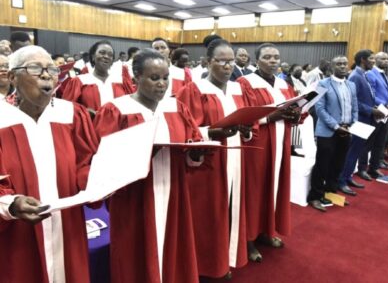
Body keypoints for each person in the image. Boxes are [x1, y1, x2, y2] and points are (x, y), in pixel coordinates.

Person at [94, 48, 202, 283]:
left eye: (165, 78)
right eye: (154, 78)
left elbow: (192, 143)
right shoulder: (117, 110)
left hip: (173, 190)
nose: (161, 84)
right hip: (134, 195)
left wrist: (195, 153)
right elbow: (102, 158)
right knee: (134, 252)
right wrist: (140, 154)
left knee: (173, 244)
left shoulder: (177, 108)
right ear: (136, 79)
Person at [0, 45, 98, 283]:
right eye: (35, 68)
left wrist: (99, 180)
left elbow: (87, 162)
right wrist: (10, 204)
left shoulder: (71, 114)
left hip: (68, 227)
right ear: (13, 76)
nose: (46, 75)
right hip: (18, 234)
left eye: (52, 69)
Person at [177, 39, 250, 279]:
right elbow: (186, 129)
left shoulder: (239, 89)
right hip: (207, 164)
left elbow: (249, 122)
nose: (228, 66)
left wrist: (247, 129)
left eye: (231, 61)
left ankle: (226, 258)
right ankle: (207, 265)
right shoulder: (194, 90)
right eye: (221, 61)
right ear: (208, 62)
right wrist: (212, 132)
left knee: (231, 208)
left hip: (235, 159)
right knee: (208, 216)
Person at [238, 43, 301, 262]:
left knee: (274, 188)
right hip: (258, 144)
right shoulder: (245, 83)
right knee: (254, 191)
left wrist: (296, 115)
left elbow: (296, 110)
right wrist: (267, 118)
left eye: (276, 57)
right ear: (257, 60)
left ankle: (266, 231)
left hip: (281, 142)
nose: (273, 61)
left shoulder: (284, 83)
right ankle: (248, 240)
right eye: (267, 57)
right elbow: (242, 116)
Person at [307, 56, 358, 212]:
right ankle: (315, 197)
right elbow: (319, 109)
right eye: (339, 64)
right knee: (322, 165)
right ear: (332, 67)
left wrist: (353, 123)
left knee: (338, 164)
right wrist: (336, 126)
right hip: (328, 131)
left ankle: (330, 192)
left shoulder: (351, 84)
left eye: (344, 63)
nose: (342, 66)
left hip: (347, 130)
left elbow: (354, 107)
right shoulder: (322, 84)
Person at [339, 50, 385, 196]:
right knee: (351, 152)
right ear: (363, 60)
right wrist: (371, 110)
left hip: (365, 119)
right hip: (358, 120)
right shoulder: (355, 76)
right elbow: (353, 101)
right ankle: (341, 181)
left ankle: (348, 177)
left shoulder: (363, 75)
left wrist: (374, 108)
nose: (373, 61)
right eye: (371, 58)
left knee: (357, 151)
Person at [61, 40, 134, 115]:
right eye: (102, 53)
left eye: (110, 55)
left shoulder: (121, 81)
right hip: (90, 125)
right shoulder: (80, 81)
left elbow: (132, 107)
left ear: (112, 60)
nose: (106, 56)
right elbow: (66, 108)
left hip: (118, 126)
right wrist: (84, 112)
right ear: (93, 57)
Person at [358, 51, 388, 175]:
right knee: (368, 143)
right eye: (383, 58)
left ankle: (374, 167)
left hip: (386, 114)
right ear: (376, 60)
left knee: (380, 142)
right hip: (376, 112)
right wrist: (386, 107)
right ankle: (362, 169)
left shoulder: (383, 74)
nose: (386, 61)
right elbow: (372, 95)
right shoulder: (371, 73)